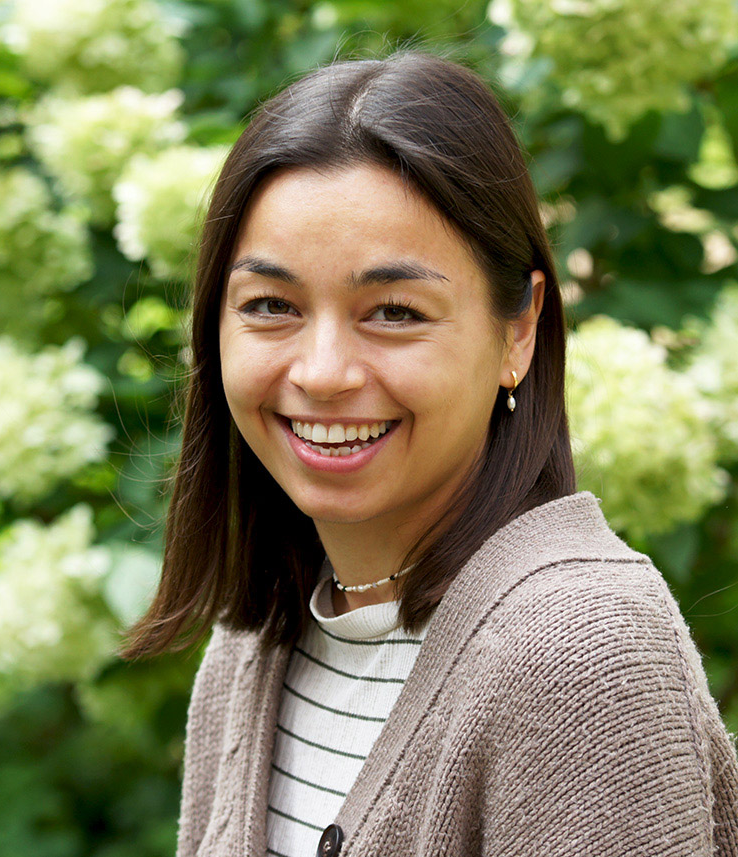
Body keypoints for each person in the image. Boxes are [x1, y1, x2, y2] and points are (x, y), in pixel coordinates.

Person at [120, 51, 738, 857]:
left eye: (394, 312)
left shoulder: (579, 657)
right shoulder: (258, 643)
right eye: (270, 305)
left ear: (516, 331)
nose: (323, 372)